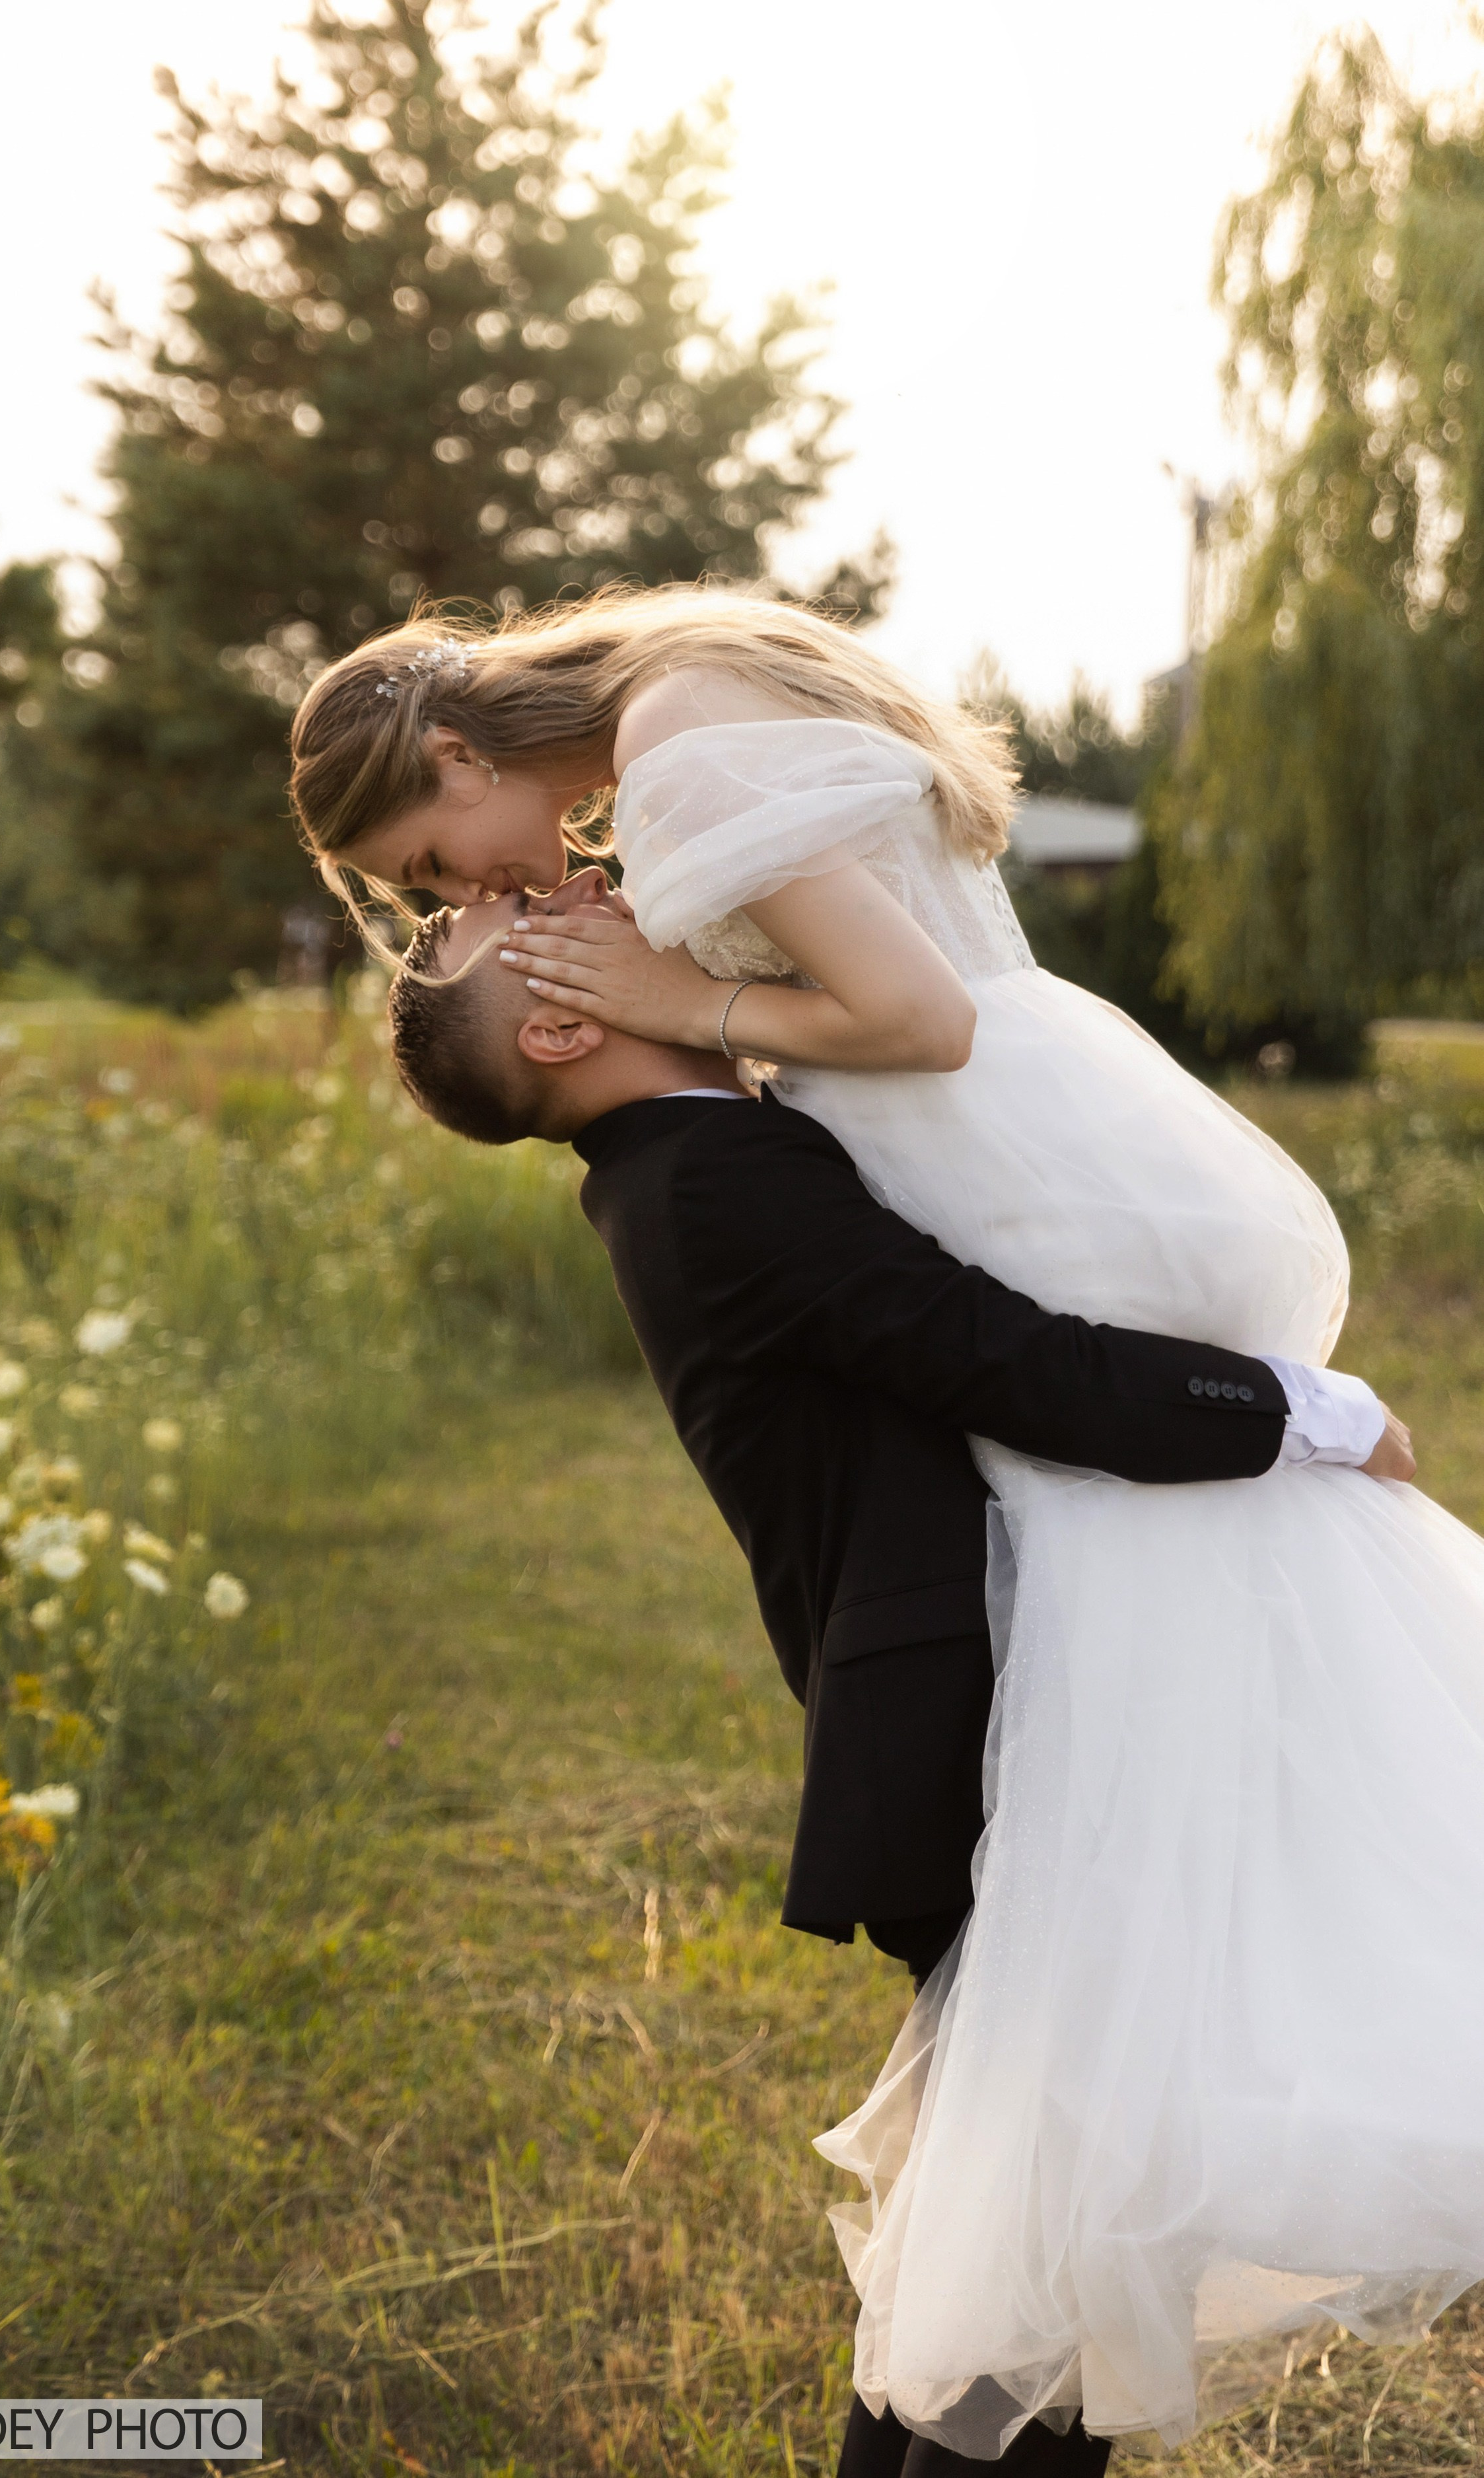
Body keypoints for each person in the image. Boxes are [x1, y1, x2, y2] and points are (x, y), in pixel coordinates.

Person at [286, 588, 1483, 2463]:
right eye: (476, 900)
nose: (519, 886)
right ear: (550, 1021)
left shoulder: (712, 1122)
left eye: (448, 859)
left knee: (1050, 2175)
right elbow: (983, 1329)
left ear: (451, 749)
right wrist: (1298, 1416)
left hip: (988, 1575)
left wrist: (698, 1008)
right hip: (967, 1661)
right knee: (1049, 2186)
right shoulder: (710, 1171)